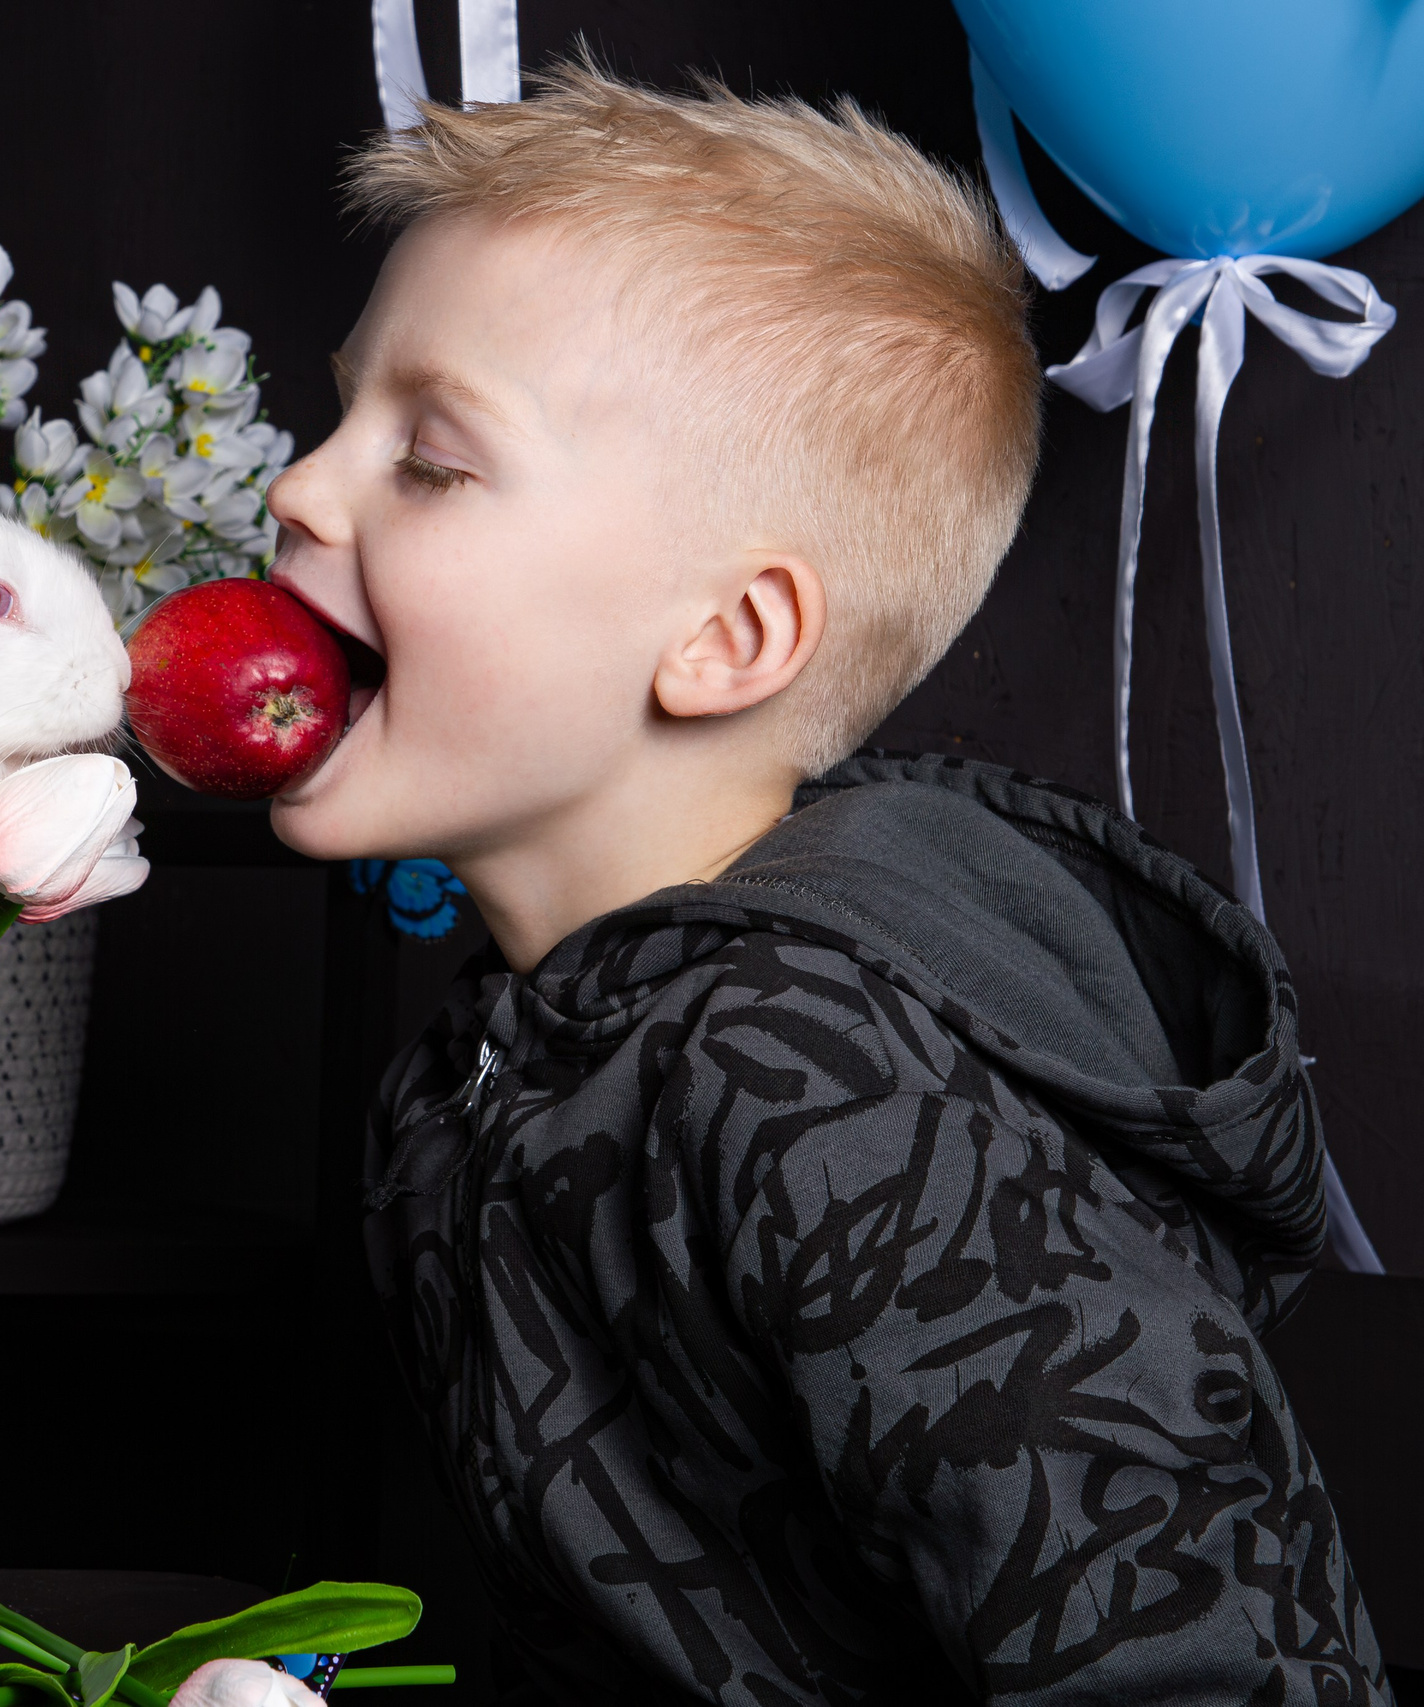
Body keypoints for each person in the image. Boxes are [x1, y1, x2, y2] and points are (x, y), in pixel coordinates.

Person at [263, 58, 1385, 1704]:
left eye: (427, 459)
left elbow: (1205, 1660)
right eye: (340, 412)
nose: (297, 485)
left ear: (728, 640)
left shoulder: (835, 1092)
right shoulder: (482, 1064)